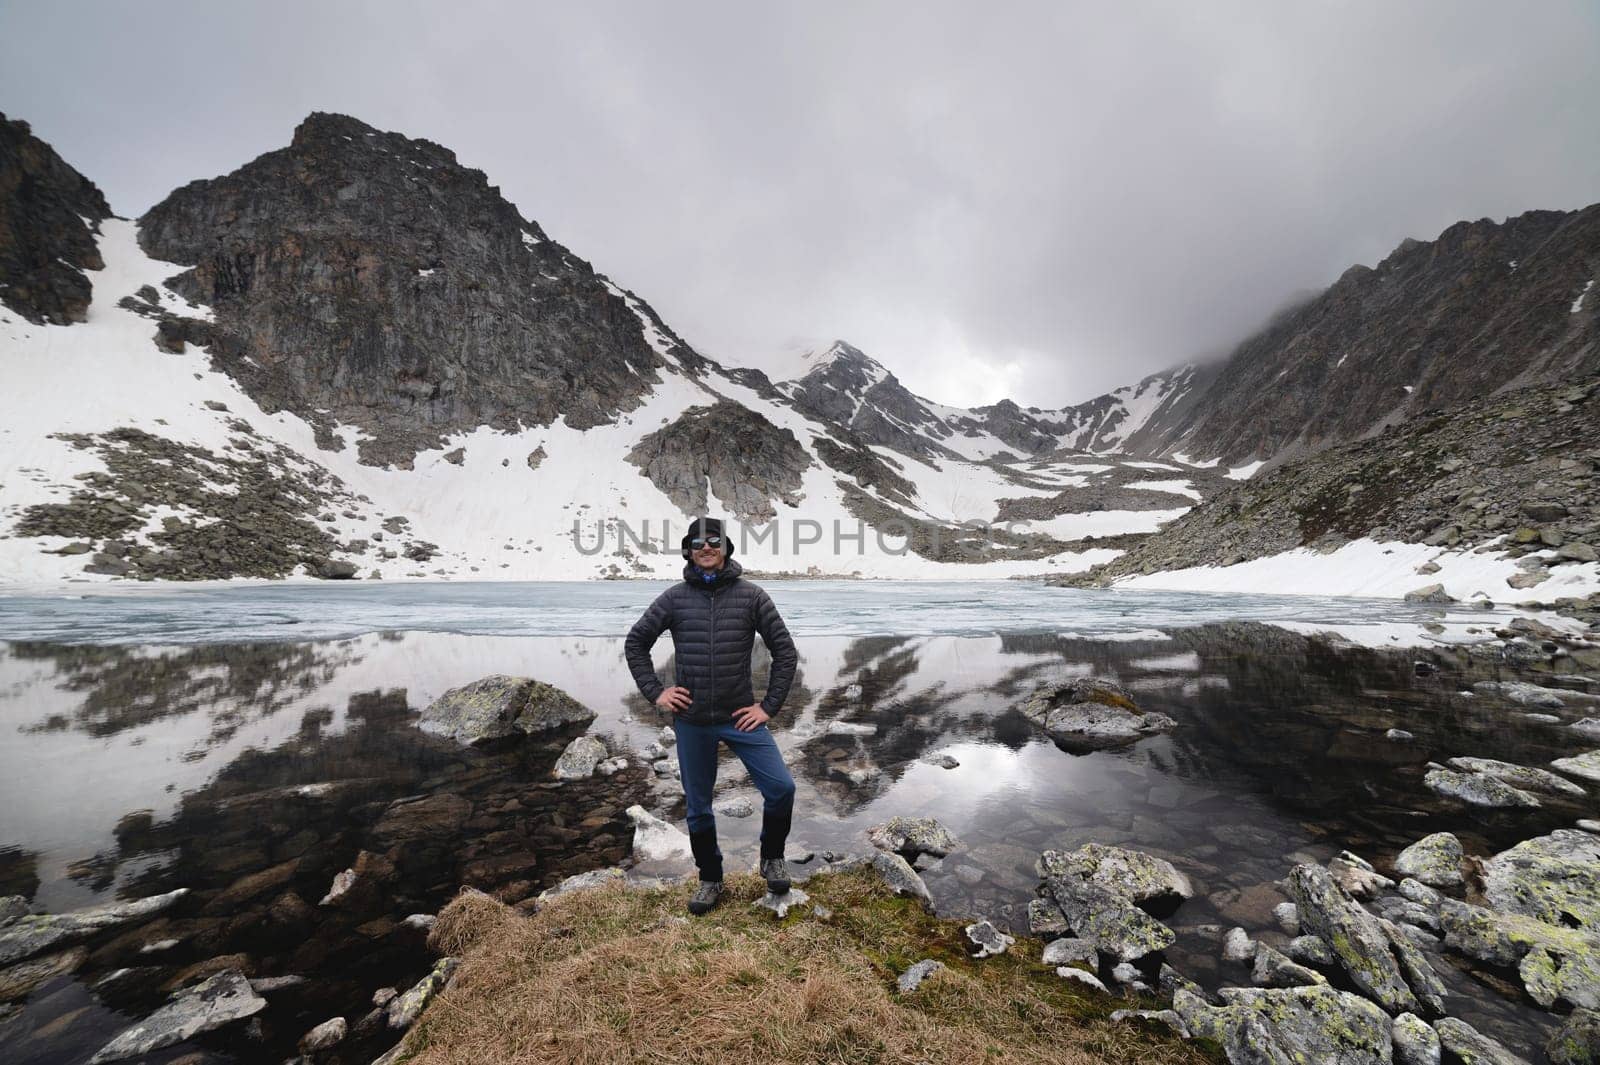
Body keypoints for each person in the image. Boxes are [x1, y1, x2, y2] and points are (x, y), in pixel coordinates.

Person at [623, 516, 799, 914]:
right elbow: (636, 642)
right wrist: (656, 692)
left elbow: (785, 653)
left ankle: (771, 858)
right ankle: (710, 878)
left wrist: (768, 707)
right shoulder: (673, 598)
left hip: (741, 717)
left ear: (726, 549)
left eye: (714, 541)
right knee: (698, 807)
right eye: (698, 541)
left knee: (781, 789)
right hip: (693, 721)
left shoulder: (752, 596)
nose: (707, 547)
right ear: (688, 550)